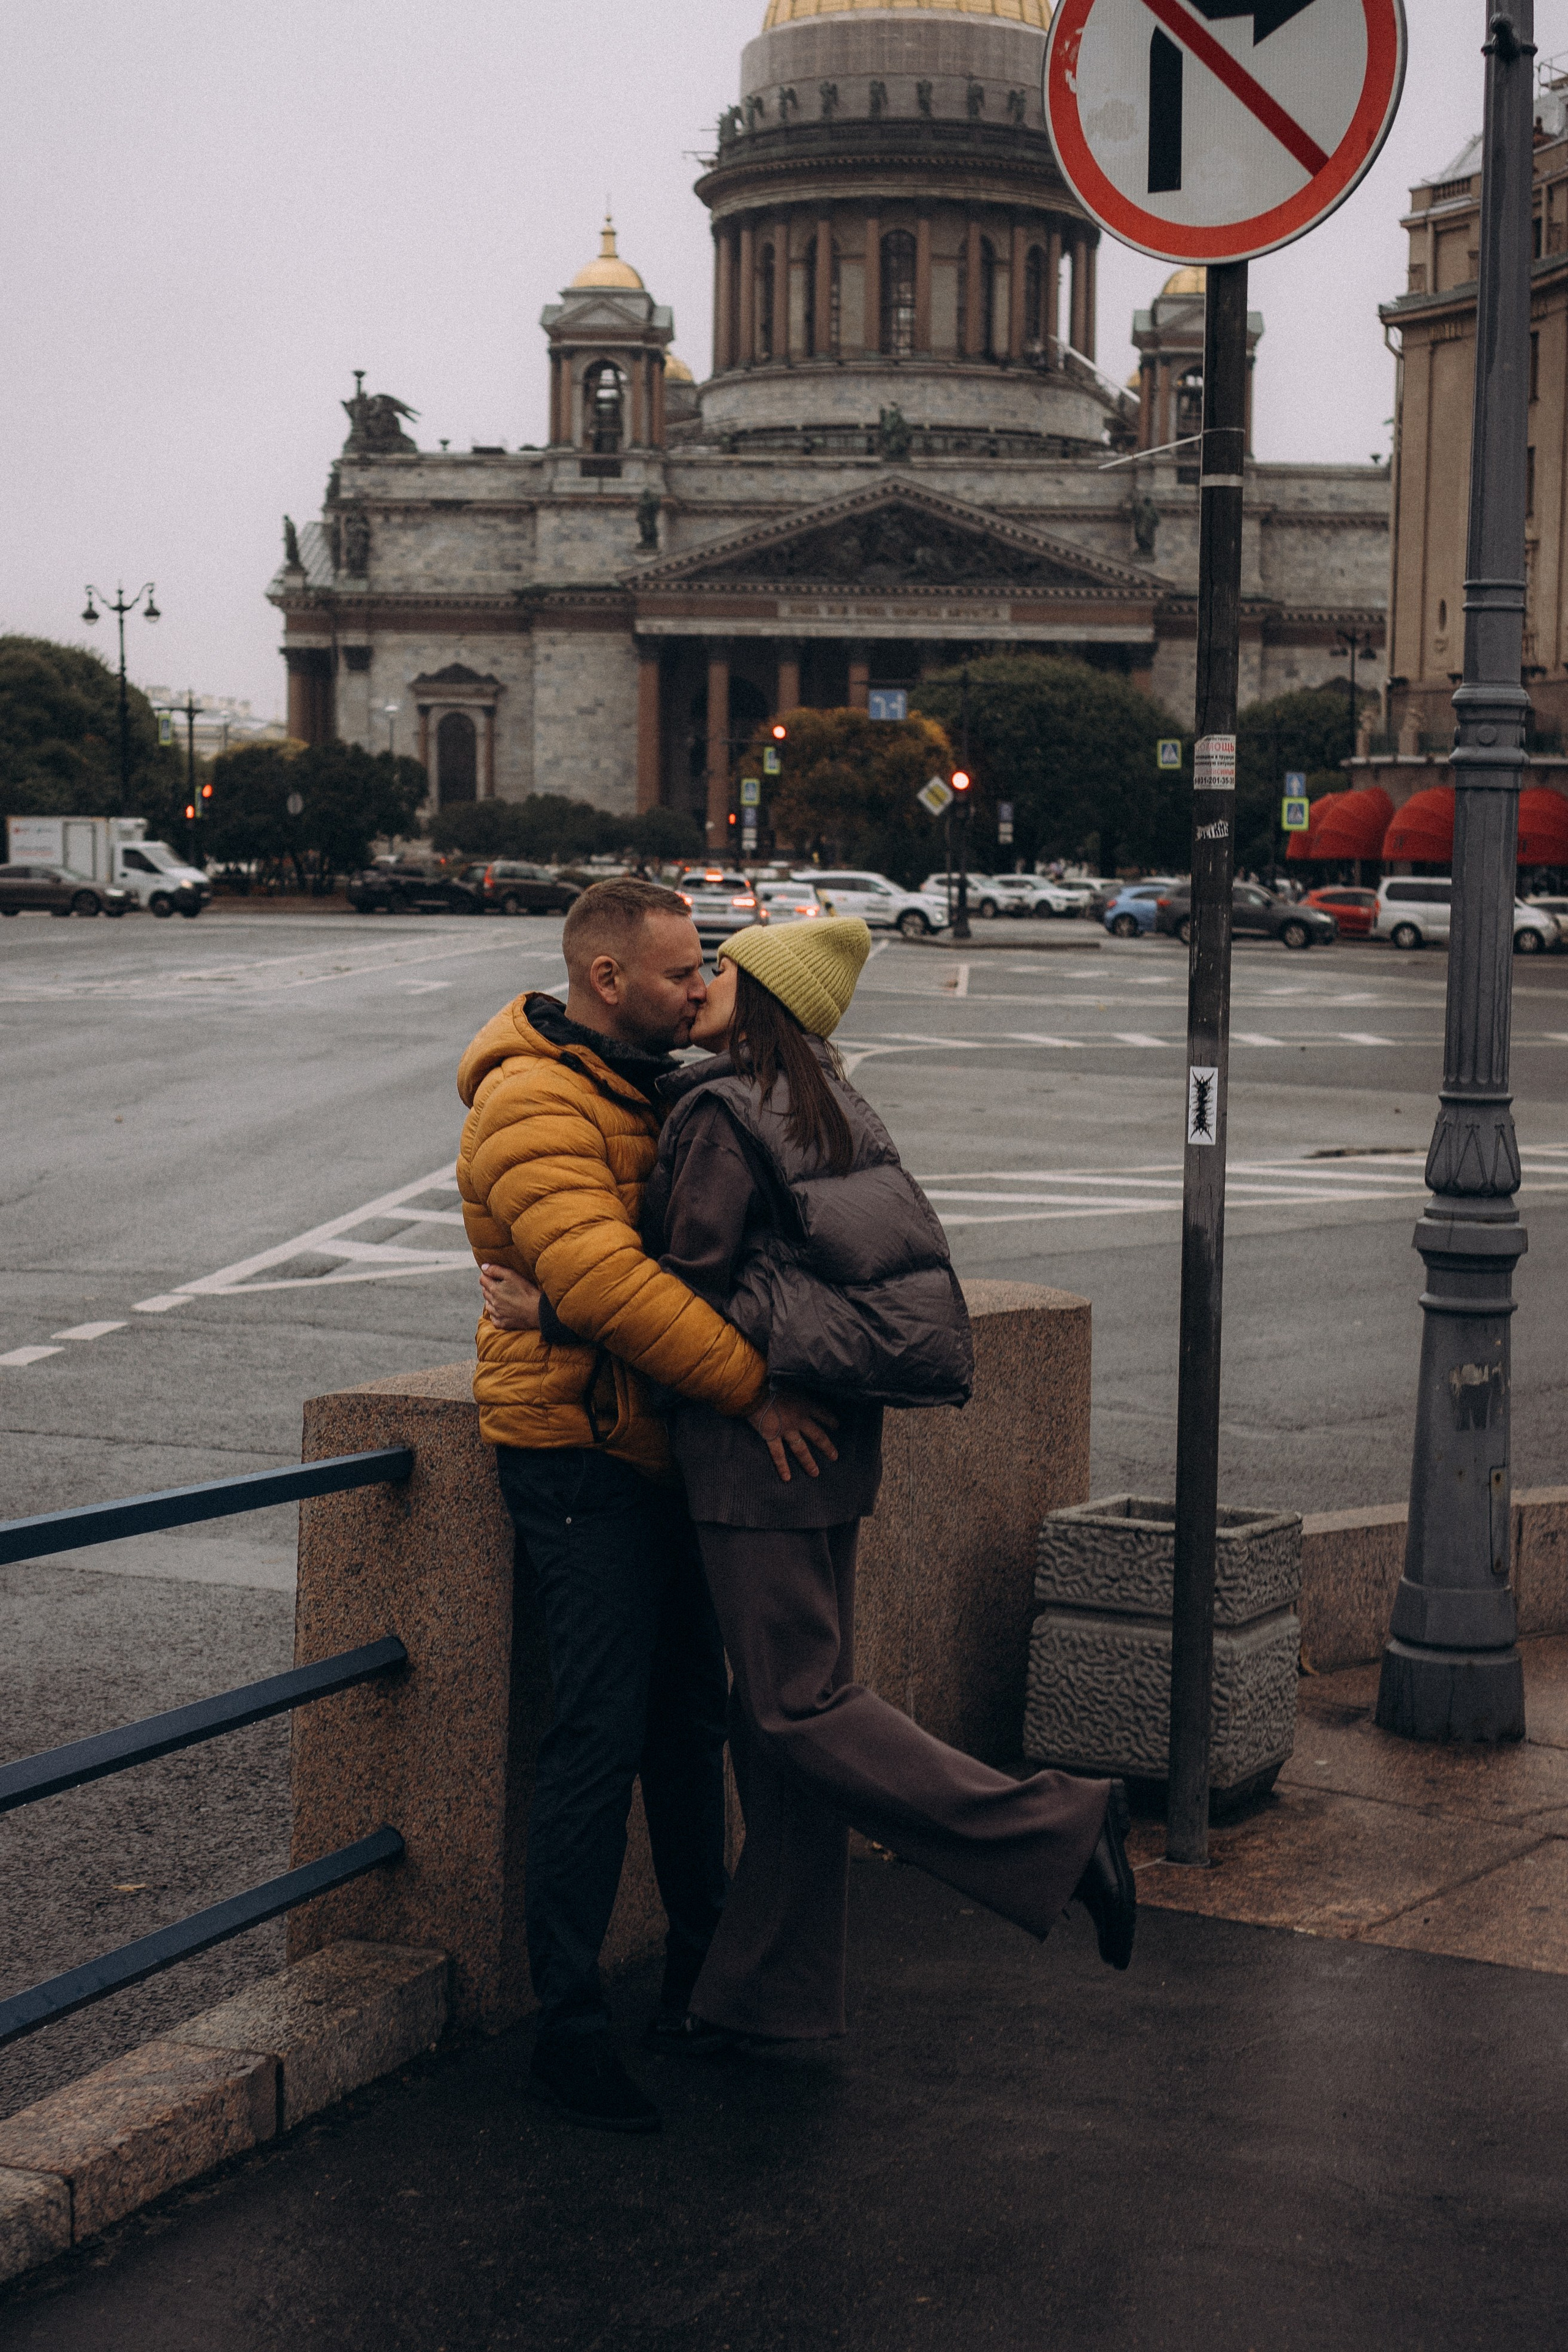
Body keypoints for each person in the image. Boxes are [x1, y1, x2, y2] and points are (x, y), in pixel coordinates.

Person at [486, 912, 1136, 2052]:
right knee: (775, 1726)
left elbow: (681, 1294)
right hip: (837, 1447)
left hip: (755, 1455)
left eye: (721, 970)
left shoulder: (720, 1114)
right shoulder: (826, 1099)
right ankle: (769, 1994)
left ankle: (1057, 1831)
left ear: (767, 999)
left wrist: (551, 1307)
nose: (702, 984)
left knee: (797, 1708)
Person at [456, 878, 833, 2136]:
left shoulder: (645, 1084)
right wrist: (755, 1394)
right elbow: (611, 1287)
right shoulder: (530, 1100)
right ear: (609, 980)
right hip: (574, 1456)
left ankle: (699, 1982)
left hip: (652, 1441)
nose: (699, 988)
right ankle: (567, 2032)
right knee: (598, 1739)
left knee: (686, 1727)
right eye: (681, 973)